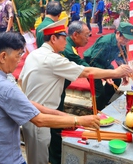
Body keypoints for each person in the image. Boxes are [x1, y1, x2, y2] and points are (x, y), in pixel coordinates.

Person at [0, 31, 100, 164]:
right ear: (3, 56)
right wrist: (78, 120)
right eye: (18, 55)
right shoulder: (6, 87)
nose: (19, 60)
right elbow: (39, 120)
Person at [19, 19, 131, 164]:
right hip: (41, 117)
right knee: (39, 159)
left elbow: (21, 80)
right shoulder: (52, 59)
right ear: (53, 38)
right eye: (64, 37)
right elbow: (86, 71)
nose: (66, 41)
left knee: (37, 154)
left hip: (34, 112)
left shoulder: (35, 54)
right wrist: (115, 73)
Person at [48, 20, 91, 164]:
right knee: (55, 126)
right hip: (54, 94)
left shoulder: (69, 48)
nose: (88, 38)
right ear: (75, 35)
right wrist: (111, 73)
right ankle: (55, 159)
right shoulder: (68, 50)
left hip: (58, 90)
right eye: (86, 35)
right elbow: (84, 68)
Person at [84, 22, 133, 110]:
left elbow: (121, 60)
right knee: (99, 91)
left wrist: (124, 74)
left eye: (128, 40)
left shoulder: (120, 43)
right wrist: (106, 74)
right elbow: (93, 60)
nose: (126, 41)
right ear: (118, 33)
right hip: (91, 64)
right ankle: (97, 110)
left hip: (104, 63)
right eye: (125, 38)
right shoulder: (105, 41)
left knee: (116, 79)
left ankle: (103, 103)